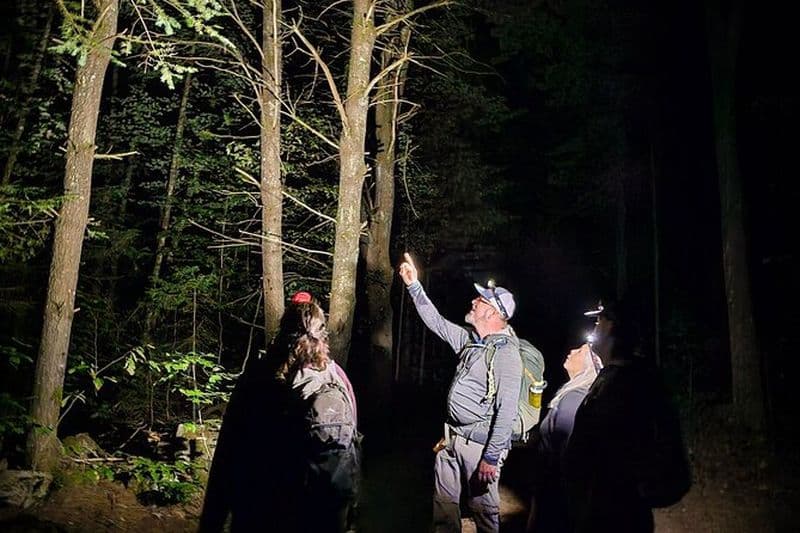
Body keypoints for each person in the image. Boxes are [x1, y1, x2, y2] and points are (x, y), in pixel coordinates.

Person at [199, 292, 359, 533]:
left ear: (283, 333)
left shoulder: (258, 379)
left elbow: (227, 456)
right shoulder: (339, 381)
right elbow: (350, 454)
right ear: (322, 335)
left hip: (260, 515)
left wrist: (211, 523)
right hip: (317, 519)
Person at [398, 252, 522, 533]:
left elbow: (507, 410)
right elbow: (436, 322)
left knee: (483, 513)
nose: (473, 302)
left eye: (479, 301)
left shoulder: (507, 355)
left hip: (478, 448)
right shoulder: (470, 341)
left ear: (492, 312)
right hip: (451, 438)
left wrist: (490, 458)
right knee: (443, 508)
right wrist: (413, 286)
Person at [564, 299, 689, 533]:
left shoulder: (628, 384)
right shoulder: (619, 375)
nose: (594, 328)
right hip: (606, 508)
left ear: (611, 327)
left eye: (598, 321)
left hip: (616, 514)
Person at [526, 343, 599, 533]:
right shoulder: (578, 395)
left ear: (589, 366)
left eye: (580, 352)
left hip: (554, 495)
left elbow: (567, 455)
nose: (572, 351)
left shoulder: (573, 400)